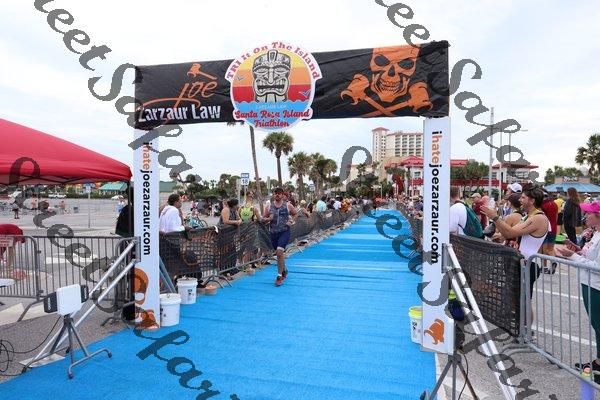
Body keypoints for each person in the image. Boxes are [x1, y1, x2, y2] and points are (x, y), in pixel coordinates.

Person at [556, 200, 600, 379]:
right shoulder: (596, 233)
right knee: (596, 325)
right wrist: (578, 251)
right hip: (589, 283)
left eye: (589, 213)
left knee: (599, 325)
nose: (585, 216)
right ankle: (598, 362)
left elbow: (598, 266)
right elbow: (591, 257)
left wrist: (573, 256)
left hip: (596, 285)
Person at [482, 186, 550, 295]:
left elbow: (509, 233)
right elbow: (507, 234)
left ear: (532, 201)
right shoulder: (528, 216)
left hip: (527, 264)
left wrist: (495, 218)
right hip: (519, 263)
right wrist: (498, 234)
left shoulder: (538, 218)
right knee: (515, 299)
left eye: (523, 197)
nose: (519, 200)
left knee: (521, 301)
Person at [263, 187, 297, 286]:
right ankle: (284, 270)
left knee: (279, 252)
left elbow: (295, 214)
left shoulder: (288, 205)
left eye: (279, 193)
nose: (277, 194)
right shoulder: (269, 206)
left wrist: (291, 221)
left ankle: (279, 276)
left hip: (284, 232)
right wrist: (268, 219)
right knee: (279, 254)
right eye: (275, 193)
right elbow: (263, 218)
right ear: (273, 194)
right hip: (273, 233)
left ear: (282, 195)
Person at [541, 191, 559, 273]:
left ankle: (544, 267)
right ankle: (553, 262)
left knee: (544, 250)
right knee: (551, 249)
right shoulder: (554, 204)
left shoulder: (543, 205)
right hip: (553, 227)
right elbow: (556, 217)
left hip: (545, 228)